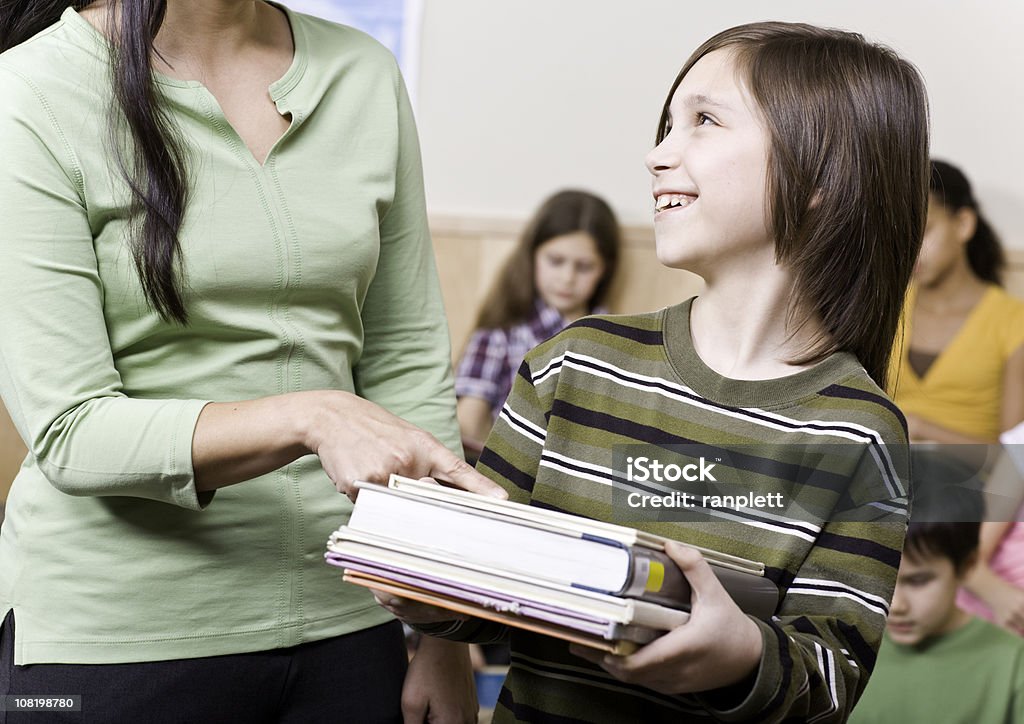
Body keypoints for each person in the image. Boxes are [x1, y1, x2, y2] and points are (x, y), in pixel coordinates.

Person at [380, 21, 926, 723]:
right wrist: (433, 593)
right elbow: (491, 603)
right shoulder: (573, 363)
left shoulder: (860, 431)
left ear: (820, 173)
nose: (657, 154)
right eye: (668, 124)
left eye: (703, 121)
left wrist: (743, 659)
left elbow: (832, 678)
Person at [0, 1, 504, 722]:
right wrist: (312, 415)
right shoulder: (29, 91)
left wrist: (442, 633)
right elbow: (72, 432)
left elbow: (405, 363)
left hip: (349, 624)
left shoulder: (361, 73)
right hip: (112, 640)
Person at [849, 451, 1024, 723]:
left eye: (918, 581)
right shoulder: (834, 648)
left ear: (967, 566)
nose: (896, 606)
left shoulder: (1014, 666)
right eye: (881, 580)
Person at [455, 189, 620, 452]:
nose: (567, 277)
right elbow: (469, 424)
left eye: (584, 266)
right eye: (556, 261)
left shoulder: (617, 340)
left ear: (604, 269)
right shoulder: (501, 334)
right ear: (533, 256)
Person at [891, 159, 1024, 445]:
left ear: (963, 224)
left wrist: (921, 428)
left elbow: (1013, 458)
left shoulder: (1014, 323)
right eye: (901, 234)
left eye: (924, 232)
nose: (910, 249)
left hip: (968, 481)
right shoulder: (886, 309)